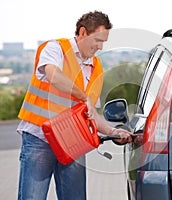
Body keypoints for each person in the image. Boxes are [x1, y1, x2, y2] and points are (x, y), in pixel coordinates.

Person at [16, 10, 133, 200]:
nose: (100, 47)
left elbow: (90, 112)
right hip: (39, 139)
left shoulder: (96, 67)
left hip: (72, 143)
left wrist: (113, 132)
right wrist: (82, 95)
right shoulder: (55, 49)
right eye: (98, 40)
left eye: (103, 42)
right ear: (83, 32)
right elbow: (53, 76)